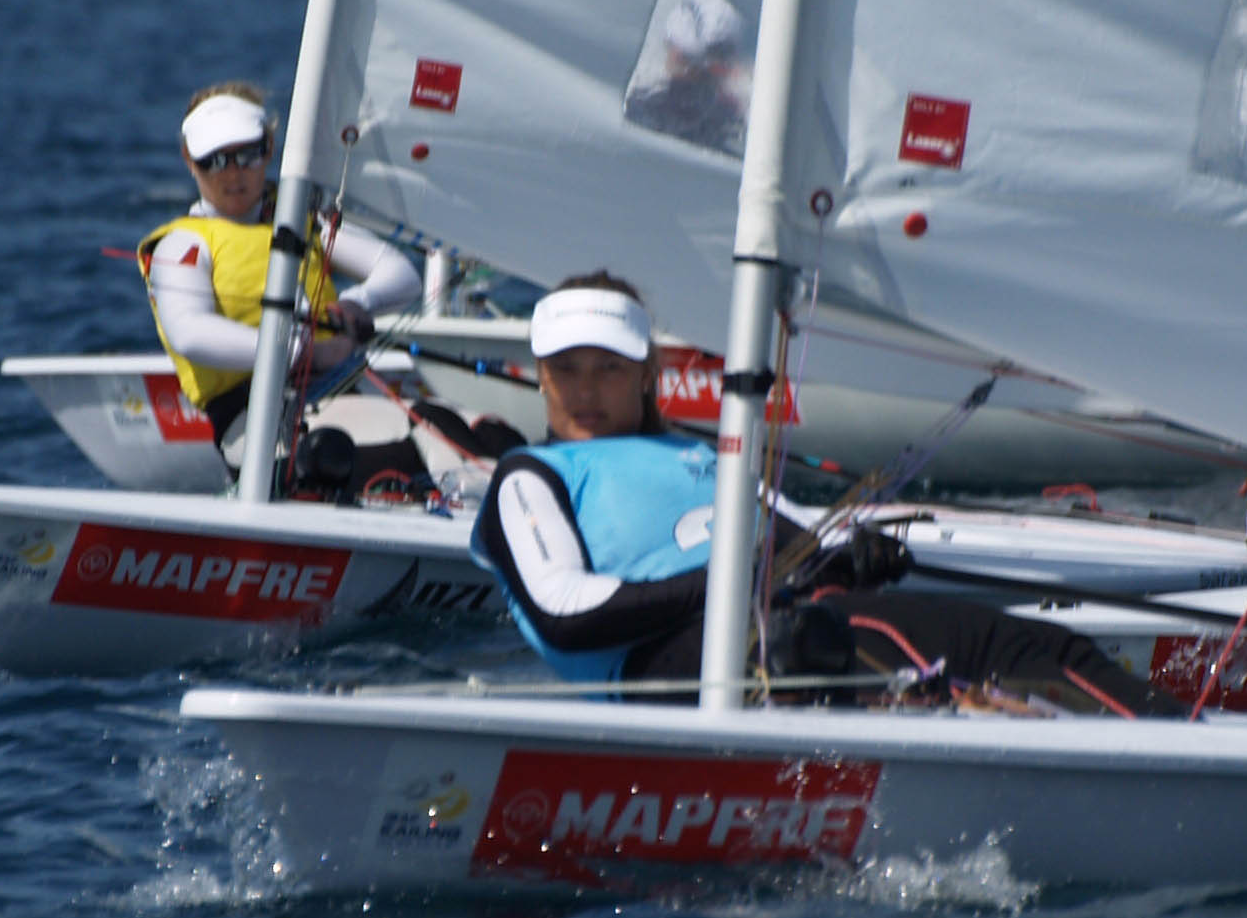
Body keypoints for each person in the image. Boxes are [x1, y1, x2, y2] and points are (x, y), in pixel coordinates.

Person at [471, 275, 1172, 713]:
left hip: (796, 623)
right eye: (567, 371)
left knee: (1038, 644)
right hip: (675, 661)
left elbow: (797, 551)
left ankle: (1179, 734)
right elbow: (563, 611)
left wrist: (845, 562)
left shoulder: (698, 451)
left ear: (648, 372)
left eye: (609, 370)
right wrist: (730, 585)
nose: (587, 390)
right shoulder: (531, 476)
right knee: (865, 638)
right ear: (540, 376)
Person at [139, 82, 512, 492]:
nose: (233, 173)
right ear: (189, 160)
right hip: (262, 425)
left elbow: (400, 274)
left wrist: (355, 303)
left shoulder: (299, 217)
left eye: (247, 154)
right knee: (429, 440)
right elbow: (188, 332)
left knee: (491, 432)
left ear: (269, 146)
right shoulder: (183, 245)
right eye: (214, 160)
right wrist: (301, 349)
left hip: (335, 398)